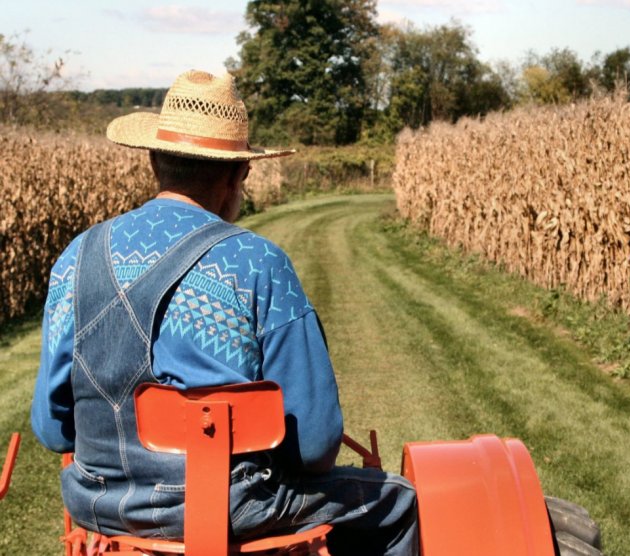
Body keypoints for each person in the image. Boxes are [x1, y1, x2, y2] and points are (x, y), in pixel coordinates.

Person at [30, 69, 418, 556]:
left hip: (100, 506)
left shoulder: (75, 258)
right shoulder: (258, 264)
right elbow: (317, 444)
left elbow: (50, 429)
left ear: (153, 160)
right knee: (401, 502)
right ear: (239, 174)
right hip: (231, 509)